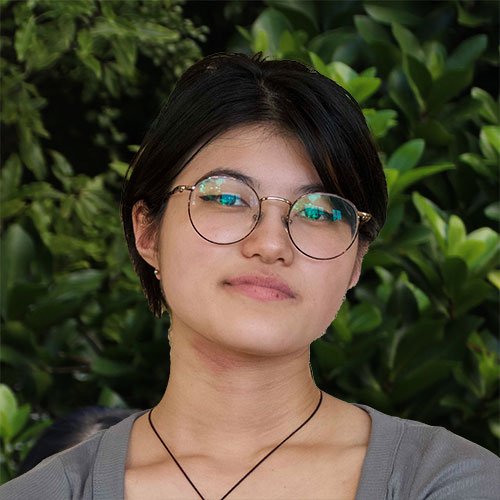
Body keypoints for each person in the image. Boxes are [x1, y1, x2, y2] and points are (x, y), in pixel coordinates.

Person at [1, 52, 498, 500]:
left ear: (356, 261)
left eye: (320, 211)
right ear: (147, 231)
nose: (271, 244)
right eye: (225, 197)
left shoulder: (451, 482)